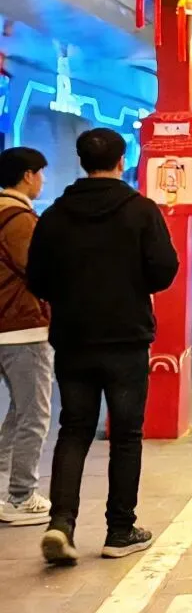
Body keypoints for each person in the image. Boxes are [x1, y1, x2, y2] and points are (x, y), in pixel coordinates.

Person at [26, 128, 179, 566]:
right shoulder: (141, 210)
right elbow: (164, 270)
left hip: (73, 338)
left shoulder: (55, 215)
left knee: (74, 429)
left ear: (81, 161)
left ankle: (61, 524)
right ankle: (120, 529)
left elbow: (37, 279)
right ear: (121, 161)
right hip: (126, 339)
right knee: (126, 434)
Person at [0, 147, 52, 526]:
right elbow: (39, 271)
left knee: (19, 411)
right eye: (41, 173)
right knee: (35, 413)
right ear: (28, 175)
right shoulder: (18, 219)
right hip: (22, 327)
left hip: (7, 327)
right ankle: (20, 497)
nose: (43, 181)